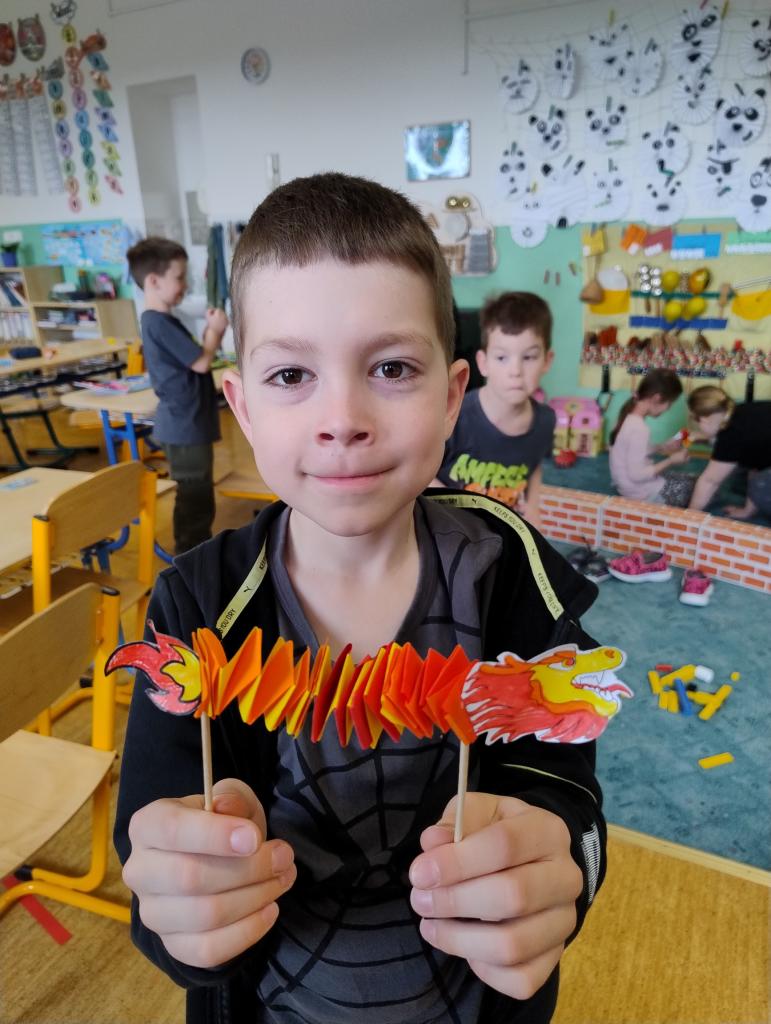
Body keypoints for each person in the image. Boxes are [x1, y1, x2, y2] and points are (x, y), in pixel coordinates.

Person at [114, 174, 608, 1024]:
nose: (342, 418)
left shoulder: (512, 577)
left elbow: (565, 796)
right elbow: (153, 860)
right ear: (240, 406)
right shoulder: (196, 609)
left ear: (451, 397)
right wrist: (179, 916)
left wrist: (563, 864)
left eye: (390, 367)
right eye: (291, 374)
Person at [126, 237, 228, 553]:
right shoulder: (158, 322)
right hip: (184, 424)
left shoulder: (160, 321)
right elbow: (201, 362)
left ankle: (194, 552)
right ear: (154, 281)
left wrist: (209, 336)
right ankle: (190, 557)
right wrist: (215, 332)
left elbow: (193, 358)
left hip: (187, 421)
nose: (185, 284)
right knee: (194, 495)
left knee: (197, 492)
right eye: (179, 277)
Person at [434, 292, 556, 531]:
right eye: (501, 357)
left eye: (529, 357)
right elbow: (421, 473)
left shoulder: (545, 421)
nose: (515, 371)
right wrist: (460, 517)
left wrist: (533, 507)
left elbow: (534, 463)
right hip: (448, 529)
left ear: (546, 361)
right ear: (483, 363)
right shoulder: (454, 415)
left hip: (498, 532)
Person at [608, 369, 692, 506]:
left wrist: (661, 447)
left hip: (626, 487)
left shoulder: (628, 417)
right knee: (697, 486)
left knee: (686, 479)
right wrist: (671, 460)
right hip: (641, 493)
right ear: (657, 398)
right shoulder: (639, 429)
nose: (668, 409)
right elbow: (637, 475)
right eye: (670, 403)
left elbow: (633, 451)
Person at [687, 386, 771, 520]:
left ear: (703, 420)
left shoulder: (730, 435)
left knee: (759, 485)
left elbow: (709, 481)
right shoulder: (741, 411)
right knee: (749, 476)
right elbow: (757, 462)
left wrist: (689, 515)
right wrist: (747, 510)